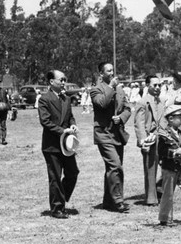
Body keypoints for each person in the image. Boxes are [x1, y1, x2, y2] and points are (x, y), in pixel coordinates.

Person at [90, 62, 131, 213]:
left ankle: (108, 201)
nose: (112, 73)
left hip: (117, 133)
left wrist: (121, 118)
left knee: (113, 167)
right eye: (108, 71)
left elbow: (127, 108)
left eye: (113, 70)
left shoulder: (120, 89)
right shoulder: (96, 90)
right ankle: (118, 201)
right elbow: (102, 103)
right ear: (101, 74)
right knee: (115, 166)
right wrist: (111, 87)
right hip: (103, 134)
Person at [38, 70, 80, 219]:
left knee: (73, 173)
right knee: (55, 177)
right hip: (52, 146)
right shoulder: (44, 99)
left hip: (67, 145)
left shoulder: (66, 99)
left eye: (65, 79)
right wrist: (63, 131)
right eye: (61, 80)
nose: (64, 82)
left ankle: (61, 199)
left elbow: (70, 117)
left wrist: (73, 125)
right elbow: (45, 121)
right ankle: (57, 208)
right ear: (51, 82)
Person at [134, 75, 165, 206]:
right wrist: (143, 140)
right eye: (154, 85)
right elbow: (139, 122)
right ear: (147, 86)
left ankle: (160, 190)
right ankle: (151, 198)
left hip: (163, 138)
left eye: (159, 85)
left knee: (168, 167)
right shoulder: (142, 102)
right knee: (150, 168)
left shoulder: (162, 101)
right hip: (150, 139)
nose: (157, 88)